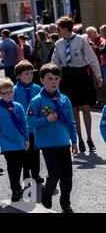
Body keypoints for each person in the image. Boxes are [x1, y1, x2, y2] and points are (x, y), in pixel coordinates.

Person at [27, 64, 78, 213]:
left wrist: (74, 140)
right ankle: (46, 192)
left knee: (67, 175)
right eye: (50, 78)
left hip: (63, 142)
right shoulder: (37, 100)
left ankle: (65, 205)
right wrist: (46, 120)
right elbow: (29, 122)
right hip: (47, 144)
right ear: (42, 80)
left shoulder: (64, 100)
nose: (54, 81)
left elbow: (71, 122)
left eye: (56, 78)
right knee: (55, 173)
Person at [51, 17, 103, 152]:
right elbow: (54, 63)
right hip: (67, 76)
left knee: (86, 108)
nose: (57, 32)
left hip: (81, 74)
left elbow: (92, 59)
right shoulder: (58, 44)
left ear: (66, 29)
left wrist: (98, 76)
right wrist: (51, 79)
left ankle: (89, 138)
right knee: (73, 109)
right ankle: (79, 139)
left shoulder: (81, 40)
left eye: (59, 29)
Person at [0, 78, 29, 202]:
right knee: (12, 167)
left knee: (19, 166)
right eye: (5, 92)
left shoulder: (18, 107)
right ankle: (15, 189)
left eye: (11, 91)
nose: (9, 95)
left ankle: (16, 185)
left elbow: (24, 124)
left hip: (20, 141)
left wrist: (27, 139)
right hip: (7, 143)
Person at [13, 60, 44, 183]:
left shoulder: (37, 89)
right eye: (26, 73)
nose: (30, 75)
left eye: (31, 72)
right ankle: (26, 174)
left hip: (35, 126)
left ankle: (36, 174)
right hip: (22, 127)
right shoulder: (14, 90)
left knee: (35, 152)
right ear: (19, 75)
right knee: (25, 152)